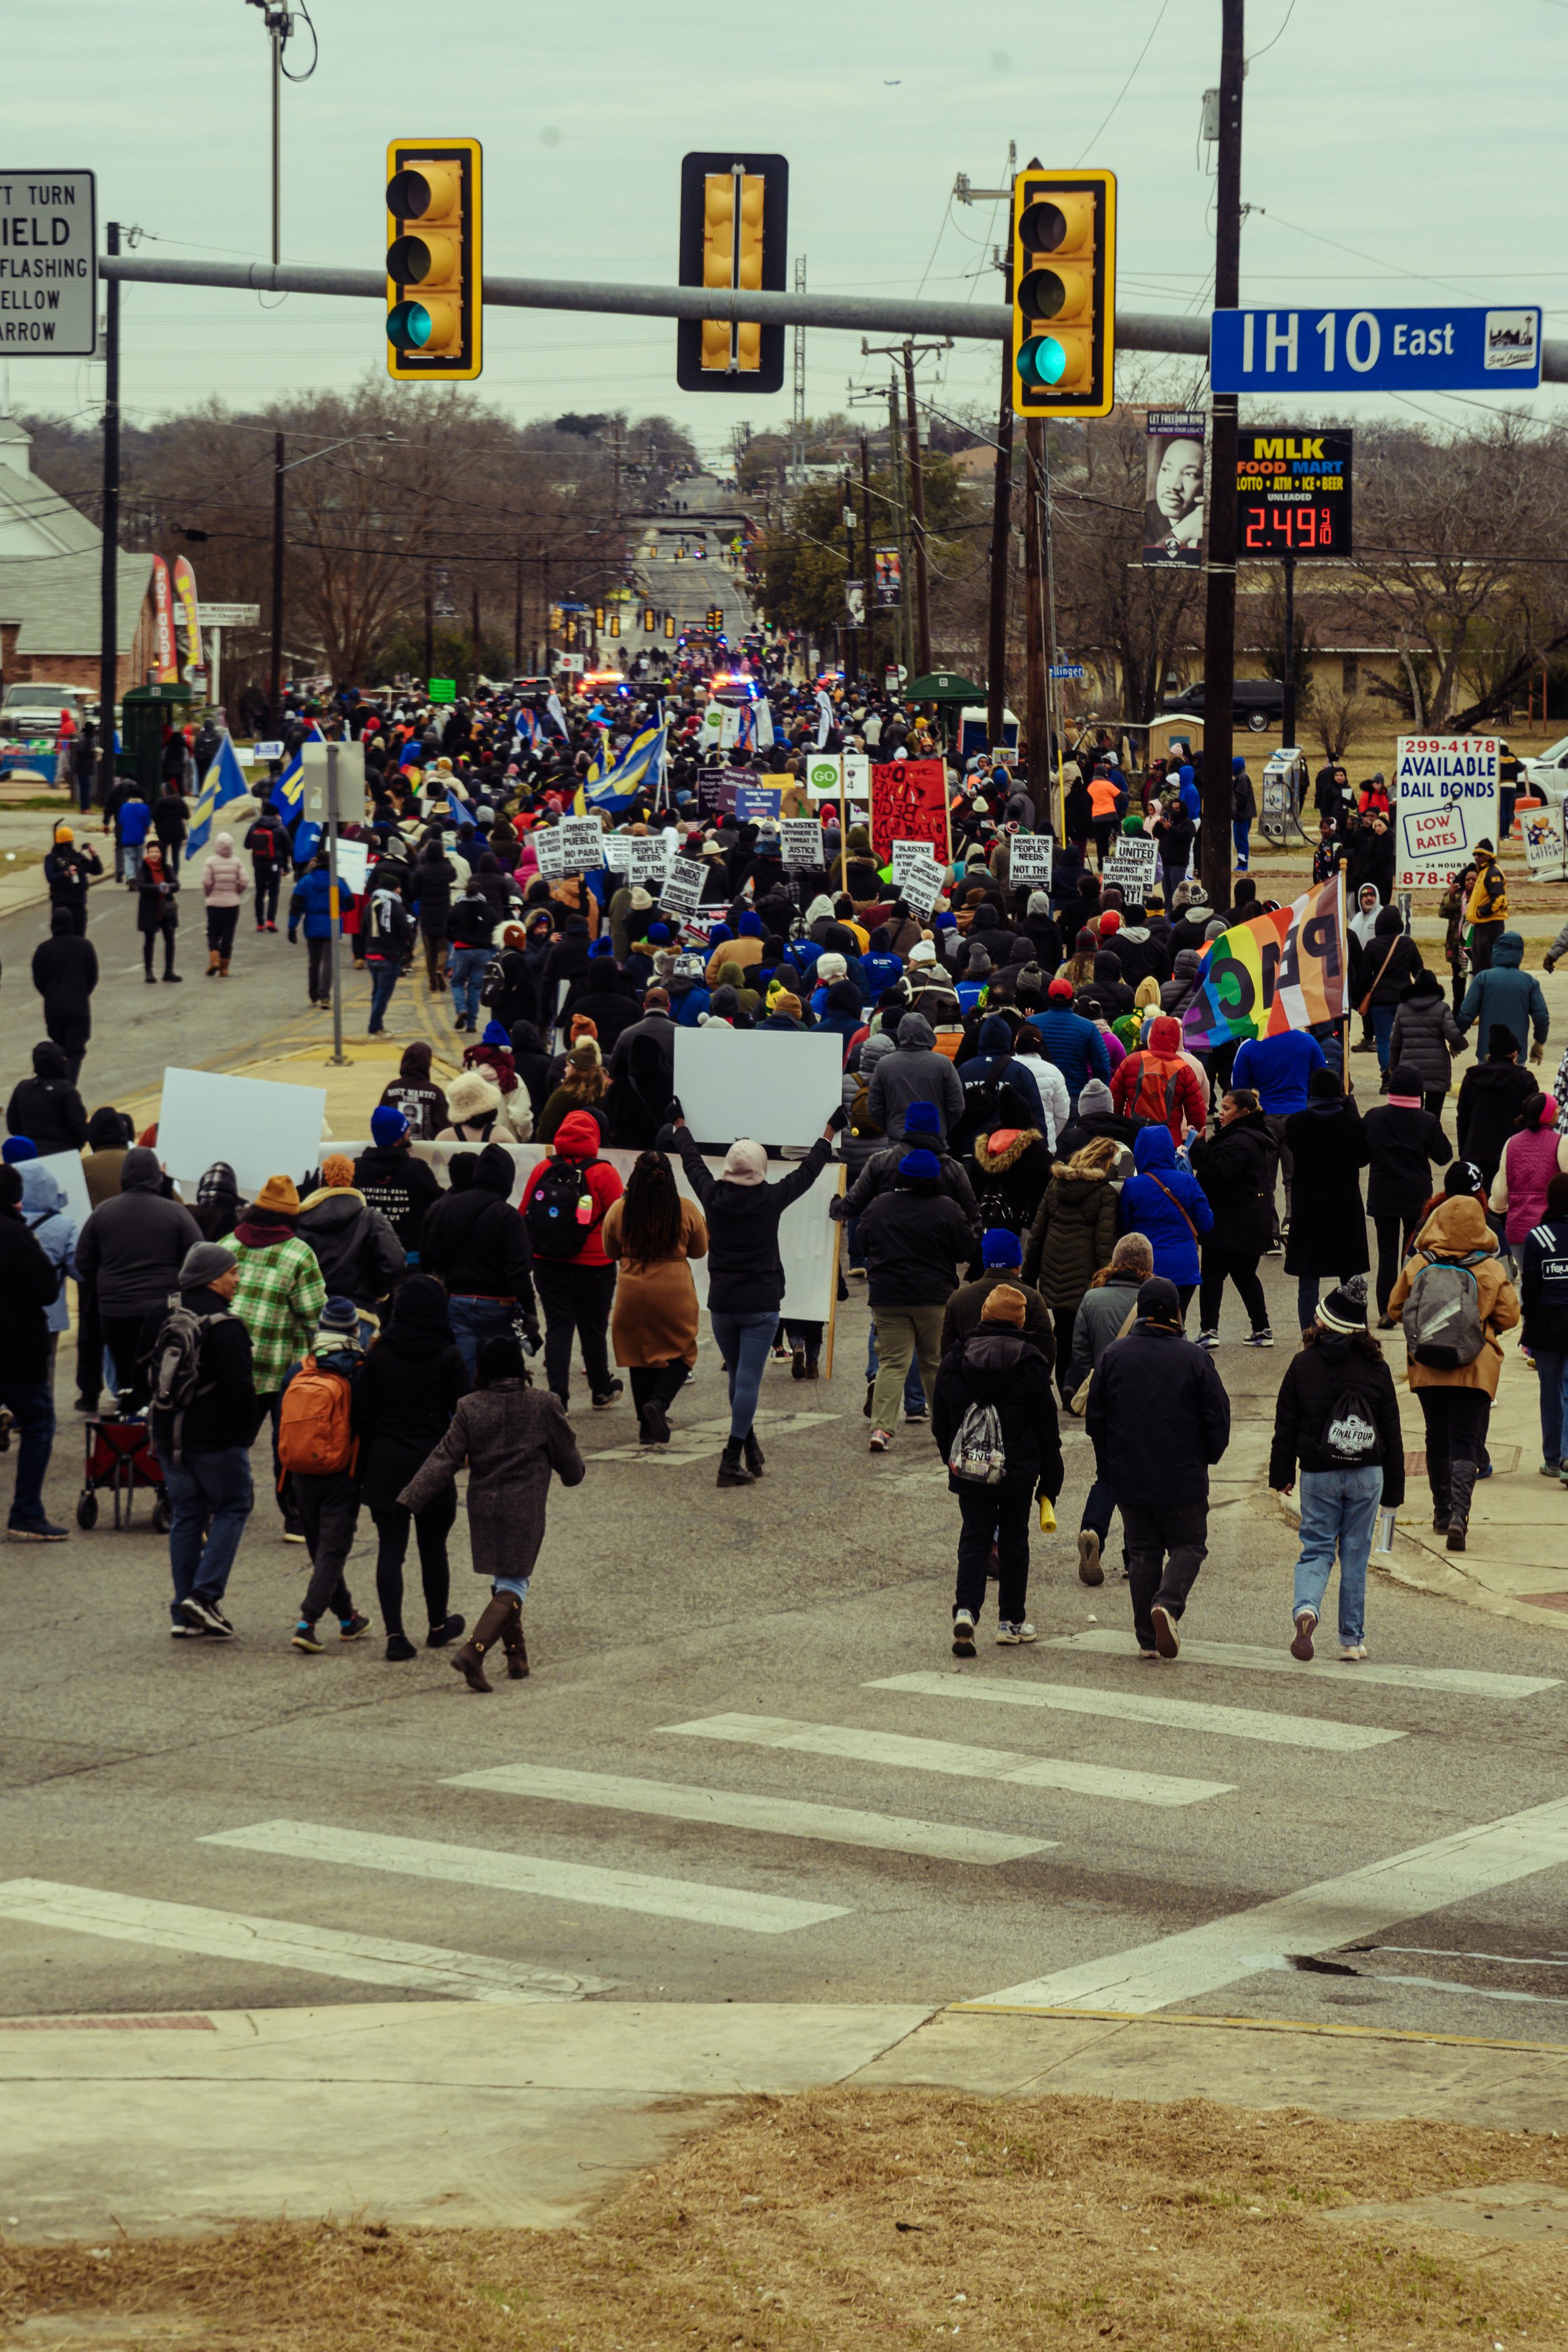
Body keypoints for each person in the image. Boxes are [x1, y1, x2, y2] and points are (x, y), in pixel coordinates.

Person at [398, 1330, 586, 1692]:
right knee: (515, 1584)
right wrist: (574, 1473)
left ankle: (516, 1657)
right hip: (525, 1508)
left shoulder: (470, 1406)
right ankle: (474, 1651)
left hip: (484, 1507)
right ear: (520, 1366)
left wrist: (411, 1497)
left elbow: (445, 1457)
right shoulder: (544, 1404)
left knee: (505, 1579)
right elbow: (569, 1461)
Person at [672, 1111, 838, 1486]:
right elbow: (809, 1171)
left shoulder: (712, 1194)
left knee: (738, 1379)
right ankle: (730, 1459)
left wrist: (680, 1126)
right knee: (747, 1382)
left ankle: (749, 1446)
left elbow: (692, 1160)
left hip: (724, 1303)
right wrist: (828, 1132)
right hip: (761, 1304)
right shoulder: (770, 1198)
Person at [1083, 1273, 1231, 1658]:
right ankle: (1167, 1604)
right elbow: (1217, 1418)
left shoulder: (1113, 1357)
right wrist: (1207, 1457)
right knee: (1189, 1545)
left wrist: (1113, 1460)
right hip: (1182, 1476)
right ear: (1177, 1313)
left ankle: (1148, 1640)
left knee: (1144, 1552)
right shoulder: (1196, 1358)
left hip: (1130, 1477)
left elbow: (1095, 1420)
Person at [1268, 1276, 1404, 1663]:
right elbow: (1392, 1436)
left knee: (1317, 1548)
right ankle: (1350, 1640)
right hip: (1367, 1474)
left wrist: (1282, 1475)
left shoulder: (1302, 1364)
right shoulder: (1377, 1369)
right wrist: (1394, 1492)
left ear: (1325, 1323)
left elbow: (1286, 1425)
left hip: (1318, 1473)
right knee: (1356, 1555)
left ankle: (1306, 1610)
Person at [930, 1282, 1063, 1653]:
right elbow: (1047, 1428)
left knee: (974, 1537)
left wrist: (952, 1458)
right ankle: (1011, 1622)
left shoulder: (957, 1359)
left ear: (984, 1315)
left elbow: (940, 1420)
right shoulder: (1031, 1362)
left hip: (970, 1468)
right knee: (1015, 1541)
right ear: (1021, 1322)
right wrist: (1051, 1479)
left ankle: (966, 1611)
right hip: (1017, 1471)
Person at [1389, 1187, 1519, 1552]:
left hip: (1428, 1367)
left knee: (1436, 1437)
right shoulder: (1490, 1268)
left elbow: (1395, 1308)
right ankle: (1462, 1514)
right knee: (1465, 1439)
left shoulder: (1419, 1264)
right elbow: (1511, 1315)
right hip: (1475, 1369)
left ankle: (1441, 1511)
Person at [143, 1242, 263, 1638]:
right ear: (214, 1277)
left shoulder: (161, 1313)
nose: (237, 1279)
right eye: (232, 1273)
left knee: (187, 1517)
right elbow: (240, 1393)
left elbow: (136, 1373)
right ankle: (205, 1595)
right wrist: (243, 1436)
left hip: (166, 1435)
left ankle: (183, 1613)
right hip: (215, 1440)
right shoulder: (226, 1326)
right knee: (233, 1506)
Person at [352, 1274, 469, 1660]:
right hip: (433, 1460)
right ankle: (438, 1625)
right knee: (434, 1547)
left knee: (391, 1548)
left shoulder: (380, 1352)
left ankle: (395, 1636)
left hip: (387, 1459)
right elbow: (465, 1410)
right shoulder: (448, 1354)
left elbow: (363, 1413)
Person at [858, 1145, 978, 1450]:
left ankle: (881, 1429)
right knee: (935, 1363)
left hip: (888, 1297)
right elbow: (967, 1248)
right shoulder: (948, 1208)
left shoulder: (879, 1205)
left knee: (891, 1363)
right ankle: (947, 1428)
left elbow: (861, 1241)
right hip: (934, 1297)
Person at [230, 1173, 329, 1538]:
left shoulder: (227, 1244)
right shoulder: (299, 1253)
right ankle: (295, 1518)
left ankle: (227, 1503)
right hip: (286, 1367)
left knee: (235, 1438)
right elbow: (315, 1314)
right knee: (287, 1445)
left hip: (237, 1362)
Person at [76, 1145, 201, 1406]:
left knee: (126, 1376)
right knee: (161, 1374)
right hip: (162, 1309)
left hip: (115, 1310)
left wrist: (106, 1282)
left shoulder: (103, 1212)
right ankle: (156, 1426)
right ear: (156, 1176)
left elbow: (83, 1262)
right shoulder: (175, 1212)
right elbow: (197, 1257)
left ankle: (127, 1428)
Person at [282, 1296, 373, 1652]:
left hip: (301, 1471)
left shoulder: (300, 1369)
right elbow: (367, 1423)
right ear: (354, 1329)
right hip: (342, 1473)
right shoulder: (358, 1370)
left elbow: (284, 1427)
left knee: (322, 1549)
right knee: (333, 1552)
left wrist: (284, 1474)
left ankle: (349, 1618)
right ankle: (308, 1622)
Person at [517, 1108, 624, 1411]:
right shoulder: (604, 1172)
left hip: (548, 1262)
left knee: (558, 1326)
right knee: (593, 1328)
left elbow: (525, 1211)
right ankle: (601, 1389)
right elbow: (618, 1221)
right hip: (595, 1266)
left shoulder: (543, 1169)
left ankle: (557, 1397)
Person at [600, 1150, 709, 1443]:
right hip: (674, 1290)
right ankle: (658, 1403)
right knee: (684, 1350)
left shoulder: (620, 1210)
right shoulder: (685, 1209)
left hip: (632, 1288)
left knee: (639, 1353)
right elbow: (700, 1250)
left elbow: (610, 1251)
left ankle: (645, 1428)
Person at [1067, 1231, 1153, 1585]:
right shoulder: (1155, 1298)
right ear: (1147, 1266)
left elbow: (1080, 1355)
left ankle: (1092, 1531)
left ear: (1115, 1262)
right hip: (1146, 1408)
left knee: (1107, 1477)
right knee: (1145, 1481)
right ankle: (1136, 1557)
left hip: (1104, 1406)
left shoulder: (1091, 1299)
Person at [419, 1140, 540, 1377]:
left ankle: (463, 1413)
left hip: (458, 1301)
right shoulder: (508, 1216)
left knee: (465, 1375)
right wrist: (530, 1310)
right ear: (507, 1178)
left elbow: (433, 1255)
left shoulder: (448, 1206)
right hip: (499, 1304)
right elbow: (518, 1270)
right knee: (502, 1376)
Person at [0, 1162, 67, 1540]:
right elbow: (45, 1289)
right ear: (15, 1198)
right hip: (17, 1348)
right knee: (39, 1424)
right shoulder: (17, 1236)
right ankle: (25, 1512)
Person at [1021, 1136, 1121, 1392]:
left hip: (1054, 1272)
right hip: (1086, 1276)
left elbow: (1038, 1234)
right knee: (1085, 1335)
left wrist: (1029, 1276)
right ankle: (1076, 1388)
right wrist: (1106, 1280)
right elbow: (1104, 1242)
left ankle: (1065, 1382)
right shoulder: (1105, 1194)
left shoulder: (1055, 1186)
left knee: (1063, 1332)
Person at [1190, 1086, 1279, 1348]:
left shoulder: (1239, 1141)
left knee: (1213, 1275)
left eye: (1226, 1109)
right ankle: (1261, 1329)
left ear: (1243, 1112)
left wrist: (1198, 1147)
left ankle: (1209, 1331)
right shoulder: (1248, 1135)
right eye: (1221, 1108)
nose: (1220, 1114)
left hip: (1231, 1222)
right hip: (1248, 1222)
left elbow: (1217, 1174)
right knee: (1244, 1274)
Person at [1283, 1069, 1370, 1332]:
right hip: (1345, 1210)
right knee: (1351, 1278)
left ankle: (1310, 1334)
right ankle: (1358, 1332)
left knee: (1309, 1281)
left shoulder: (1296, 1123)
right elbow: (1365, 1157)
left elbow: (1296, 1150)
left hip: (1308, 1209)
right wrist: (1350, 1110)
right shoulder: (1353, 1125)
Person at [1362, 1065, 1449, 1324]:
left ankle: (1387, 1310)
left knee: (1387, 1254)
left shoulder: (1373, 1117)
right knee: (1411, 1253)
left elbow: (1363, 1156)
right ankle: (1409, 1305)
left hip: (1384, 1193)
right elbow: (1444, 1156)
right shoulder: (1427, 1120)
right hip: (1416, 1195)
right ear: (1419, 1093)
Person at [1230, 1023, 1327, 1242]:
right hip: (1299, 1116)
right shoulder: (1307, 1042)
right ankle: (1292, 1222)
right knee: (1295, 1178)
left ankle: (1270, 1233)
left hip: (1264, 1120)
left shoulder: (1249, 1046)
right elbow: (1323, 1078)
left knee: (1265, 1180)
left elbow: (1238, 1089)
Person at [295, 1156, 406, 1333]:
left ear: (322, 1183)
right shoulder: (371, 1219)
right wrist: (377, 1292)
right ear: (353, 1183)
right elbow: (395, 1262)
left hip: (312, 1314)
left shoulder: (301, 1220)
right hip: (359, 1314)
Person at [1118, 1124, 1212, 1321]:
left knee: (1147, 1322)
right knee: (1178, 1320)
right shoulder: (1187, 1180)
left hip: (1146, 1268)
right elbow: (1206, 1223)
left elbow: (1124, 1229)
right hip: (1185, 1267)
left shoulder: (1132, 1186)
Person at [1519, 1171, 1568, 1479]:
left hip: (1547, 1325)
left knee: (1549, 1391)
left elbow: (1531, 1290)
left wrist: (1528, 1326)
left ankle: (1553, 1459)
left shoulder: (1537, 1238)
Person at [1490, 1093, 1568, 1279]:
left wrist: (1498, 1206)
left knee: (1529, 1283)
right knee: (1554, 1283)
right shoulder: (1561, 1143)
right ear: (1547, 1114)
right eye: (1555, 1107)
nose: (1559, 1110)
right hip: (1552, 1230)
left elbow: (1500, 1195)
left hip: (1517, 1230)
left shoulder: (1512, 1143)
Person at [354, 1104, 444, 1259]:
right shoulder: (417, 1169)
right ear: (398, 1135)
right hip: (411, 1259)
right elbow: (439, 1206)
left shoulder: (356, 1168)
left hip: (368, 1257)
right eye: (406, 1129)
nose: (409, 1131)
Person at [1456, 1026, 1539, 1192]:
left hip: (1476, 1152)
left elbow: (1463, 1118)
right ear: (1513, 1054)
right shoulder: (1525, 1080)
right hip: (1513, 1155)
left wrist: (1465, 1152)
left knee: (1481, 1206)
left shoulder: (1472, 1078)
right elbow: (1534, 1119)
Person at [18, 1158, 77, 1389]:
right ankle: (41, 1420)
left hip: (9, 1309)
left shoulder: (7, 1222)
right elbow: (79, 1270)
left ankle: (8, 1411)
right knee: (46, 1366)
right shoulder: (65, 1225)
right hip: (50, 1311)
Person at [865, 1012, 965, 1146]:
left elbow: (874, 1106)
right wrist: (942, 1127)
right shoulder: (943, 1063)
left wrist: (891, 1127)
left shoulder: (884, 1064)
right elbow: (957, 1105)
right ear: (928, 1033)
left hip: (898, 1141)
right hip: (935, 1141)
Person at [1109, 1013, 1206, 1146]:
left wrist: (1117, 1131)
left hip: (1133, 1136)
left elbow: (1114, 1100)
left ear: (1151, 1034)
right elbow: (1196, 1112)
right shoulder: (1184, 1069)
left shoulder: (1131, 1061)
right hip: (1169, 1139)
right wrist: (1196, 1143)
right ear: (1177, 1038)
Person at [1456, 931, 1549, 1067]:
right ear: (1520, 954)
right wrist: (1539, 1042)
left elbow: (1466, 1014)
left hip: (1487, 1053)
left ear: (1496, 951)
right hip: (1516, 1056)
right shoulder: (1530, 982)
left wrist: (1457, 1040)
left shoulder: (1483, 979)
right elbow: (1542, 1017)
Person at [30, 907, 98, 1083]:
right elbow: (92, 977)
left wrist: (50, 995)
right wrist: (82, 994)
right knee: (76, 1051)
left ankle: (59, 1087)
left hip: (54, 1010)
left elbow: (39, 980)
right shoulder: (84, 946)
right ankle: (68, 1087)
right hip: (79, 1009)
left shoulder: (44, 949)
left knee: (58, 1051)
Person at [1389, 968, 1465, 1123]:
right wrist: (1459, 1045)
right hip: (1437, 1069)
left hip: (1409, 1069)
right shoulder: (1442, 1008)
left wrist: (1393, 1066)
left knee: (1413, 1117)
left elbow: (1395, 1042)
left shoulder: (1402, 1009)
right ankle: (1432, 1144)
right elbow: (1453, 1034)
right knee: (1433, 1117)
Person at [6, 1041, 87, 1157]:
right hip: (64, 1153)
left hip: (31, 1154)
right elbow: (79, 1126)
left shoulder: (22, 1088)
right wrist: (76, 1147)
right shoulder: (66, 1090)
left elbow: (13, 1125)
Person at [363, 873, 414, 1034]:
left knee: (377, 993)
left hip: (372, 955)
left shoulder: (370, 905)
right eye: (398, 887)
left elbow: (363, 930)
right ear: (393, 888)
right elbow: (404, 930)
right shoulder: (395, 906)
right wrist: (408, 939)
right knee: (383, 995)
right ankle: (374, 1027)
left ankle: (378, 1025)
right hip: (389, 956)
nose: (400, 890)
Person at [447, 872, 496, 1034]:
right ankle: (472, 1024)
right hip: (482, 951)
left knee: (457, 982)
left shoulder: (458, 908)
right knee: (475, 987)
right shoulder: (488, 909)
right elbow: (495, 929)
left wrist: (455, 939)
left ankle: (461, 1008)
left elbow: (447, 929)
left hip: (462, 950)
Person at [287, 852, 336, 1009]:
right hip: (331, 924)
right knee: (329, 961)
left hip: (312, 925)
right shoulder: (336, 881)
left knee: (314, 961)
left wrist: (292, 927)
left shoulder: (305, 882)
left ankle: (313, 994)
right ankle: (325, 996)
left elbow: (296, 906)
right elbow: (349, 903)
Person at [376, 1041, 448, 1142]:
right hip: (428, 1153)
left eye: (412, 1115)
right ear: (427, 1064)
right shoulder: (435, 1092)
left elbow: (380, 1120)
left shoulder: (392, 1088)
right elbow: (444, 1127)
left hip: (396, 1151)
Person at [201, 832, 248, 977]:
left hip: (214, 903)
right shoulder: (237, 862)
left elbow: (206, 881)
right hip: (232, 903)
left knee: (213, 932)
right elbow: (245, 881)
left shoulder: (211, 862)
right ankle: (224, 968)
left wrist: (209, 894)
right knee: (228, 934)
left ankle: (214, 959)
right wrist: (237, 892)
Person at [42, 824, 102, 935]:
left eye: (69, 842)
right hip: (61, 904)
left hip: (78, 904)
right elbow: (50, 877)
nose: (68, 846)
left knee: (79, 937)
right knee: (61, 938)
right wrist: (65, 874)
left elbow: (97, 871)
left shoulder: (77, 857)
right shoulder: (52, 858)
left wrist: (94, 855)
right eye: (65, 843)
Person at [136, 841, 181, 982]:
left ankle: (169, 971)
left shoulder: (167, 868)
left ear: (161, 853)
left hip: (166, 910)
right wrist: (158, 887)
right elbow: (142, 886)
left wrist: (169, 887)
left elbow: (176, 884)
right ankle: (149, 972)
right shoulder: (143, 869)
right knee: (149, 941)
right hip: (150, 910)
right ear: (147, 853)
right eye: (152, 852)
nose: (154, 855)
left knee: (170, 941)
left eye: (157, 852)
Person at [1464, 839, 1508, 972]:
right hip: (1481, 926)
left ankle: (1488, 991)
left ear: (1490, 856)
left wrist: (1480, 912)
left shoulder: (1493, 873)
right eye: (1475, 855)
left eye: (1480, 854)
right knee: (1478, 965)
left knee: (1487, 966)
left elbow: (1499, 900)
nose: (1477, 857)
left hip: (1490, 926)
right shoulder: (1483, 872)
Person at [243, 806, 289, 931]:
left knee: (259, 893)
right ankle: (270, 921)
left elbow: (247, 845)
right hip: (275, 866)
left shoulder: (255, 826)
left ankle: (260, 923)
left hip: (259, 865)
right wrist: (286, 866)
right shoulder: (280, 828)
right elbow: (289, 848)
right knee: (273, 894)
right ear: (276, 814)